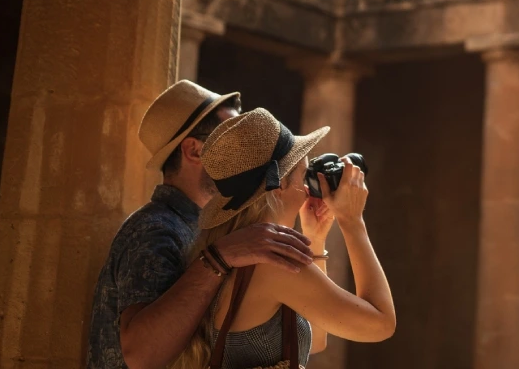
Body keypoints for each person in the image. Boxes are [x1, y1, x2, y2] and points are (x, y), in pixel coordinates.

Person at [88, 81, 318, 369]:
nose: (246, 147)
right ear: (194, 151)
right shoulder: (154, 230)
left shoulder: (199, 227)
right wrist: (219, 257)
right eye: (228, 136)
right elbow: (141, 355)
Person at [173, 108, 395, 368]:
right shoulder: (271, 262)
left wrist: (315, 238)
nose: (307, 187)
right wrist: (353, 221)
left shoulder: (232, 248)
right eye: (303, 175)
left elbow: (316, 339)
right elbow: (380, 324)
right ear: (277, 186)